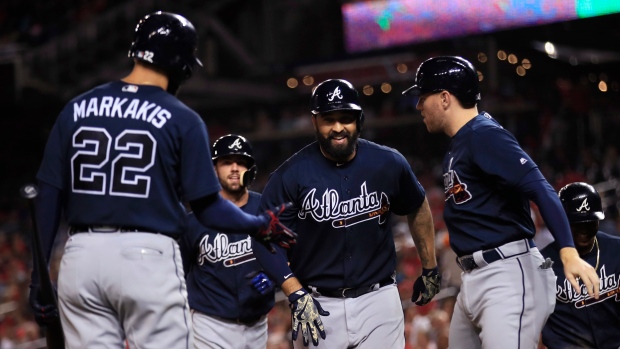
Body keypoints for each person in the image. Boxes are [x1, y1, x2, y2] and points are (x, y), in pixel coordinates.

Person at [28, 12, 294, 349]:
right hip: (146, 257)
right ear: (182, 64)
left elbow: (48, 196)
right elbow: (210, 209)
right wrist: (257, 224)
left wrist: (38, 277)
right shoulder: (182, 118)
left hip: (81, 257)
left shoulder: (76, 108)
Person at [402, 55, 600, 349]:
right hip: (474, 278)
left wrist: (568, 252)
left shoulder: (484, 135)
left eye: (423, 96)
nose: (418, 105)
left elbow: (541, 189)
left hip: (507, 274)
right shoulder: (461, 143)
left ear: (445, 98)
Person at [252, 78, 441, 348]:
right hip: (317, 304)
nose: (338, 127)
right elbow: (263, 238)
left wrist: (430, 267)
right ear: (315, 121)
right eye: (329, 119)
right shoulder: (290, 175)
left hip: (379, 301)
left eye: (346, 118)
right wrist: (294, 292)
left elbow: (417, 206)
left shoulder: (388, 162)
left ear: (359, 120)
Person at [179, 134, 276, 349]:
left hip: (258, 324)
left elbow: (290, 255)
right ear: (214, 169)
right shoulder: (194, 221)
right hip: (209, 326)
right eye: (226, 162)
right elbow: (179, 275)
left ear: (250, 169)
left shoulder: (267, 209)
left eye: (241, 162)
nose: (234, 168)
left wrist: (274, 277)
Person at [541, 182, 620, 349]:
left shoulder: (617, 250)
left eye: (590, 222)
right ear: (561, 221)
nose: (584, 229)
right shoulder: (541, 264)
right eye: (576, 224)